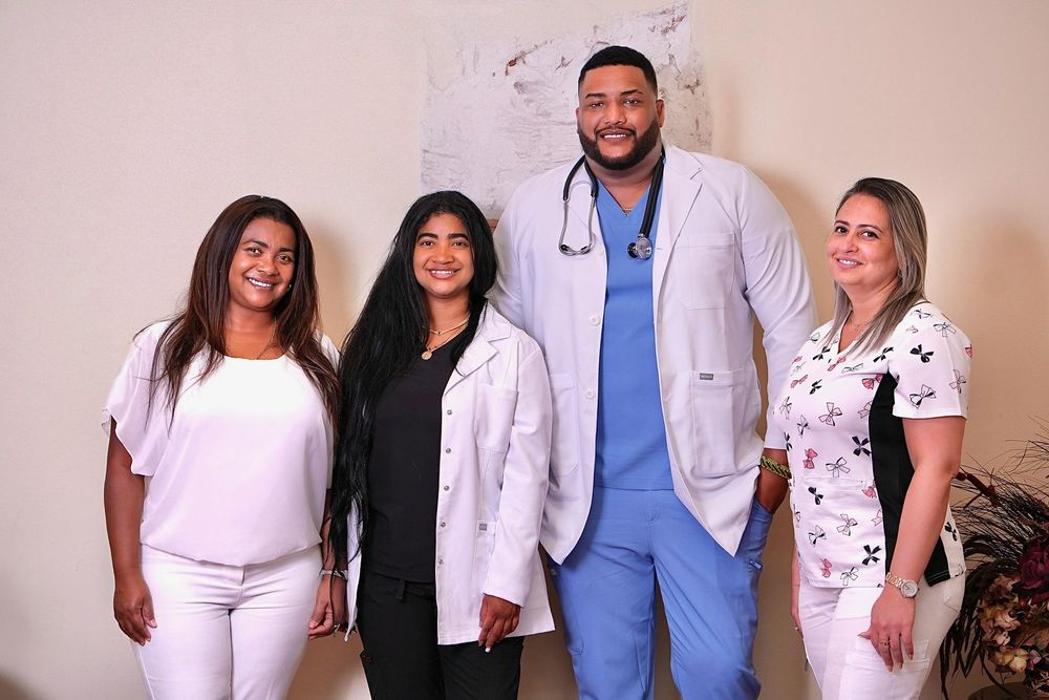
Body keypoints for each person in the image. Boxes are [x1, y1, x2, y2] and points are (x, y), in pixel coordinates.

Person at [490, 45, 816, 698]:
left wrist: (779, 460)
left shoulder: (730, 191)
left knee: (719, 675)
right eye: (597, 102)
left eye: (630, 100)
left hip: (711, 486)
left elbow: (793, 328)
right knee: (608, 684)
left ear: (659, 110)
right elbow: (504, 346)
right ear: (578, 115)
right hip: (585, 495)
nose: (613, 116)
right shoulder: (532, 207)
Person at [315, 191, 554, 699]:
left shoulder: (515, 352)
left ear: (479, 253)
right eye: (428, 241)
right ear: (409, 252)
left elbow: (527, 481)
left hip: (479, 587)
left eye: (458, 242)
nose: (442, 255)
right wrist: (334, 567)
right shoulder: (373, 347)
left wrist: (508, 584)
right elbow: (346, 470)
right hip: (386, 588)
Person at [102, 195, 339, 698]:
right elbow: (124, 468)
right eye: (254, 249)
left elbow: (337, 481)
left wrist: (331, 571)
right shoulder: (162, 348)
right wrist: (126, 575)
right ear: (223, 253)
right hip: (178, 573)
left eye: (285, 256)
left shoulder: (318, 357)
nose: (268, 266)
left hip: (285, 575)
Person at [769, 178, 970, 699]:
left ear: (903, 251)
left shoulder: (925, 335)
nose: (847, 244)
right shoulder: (819, 342)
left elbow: (937, 467)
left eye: (868, 234)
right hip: (822, 571)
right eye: (841, 229)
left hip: (893, 571)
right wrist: (802, 570)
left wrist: (901, 588)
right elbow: (809, 463)